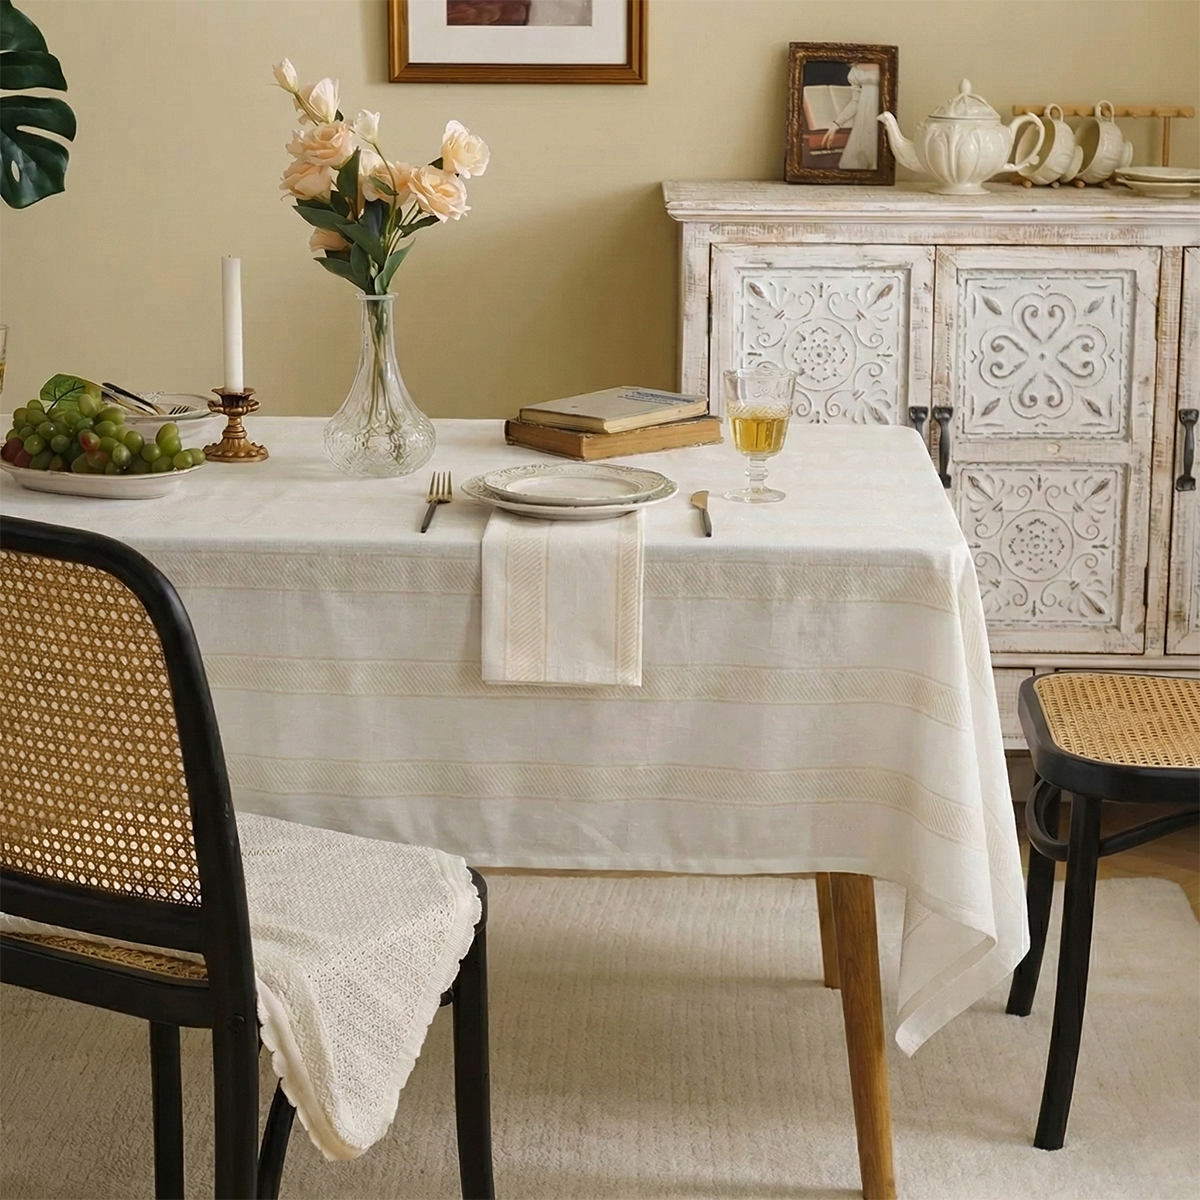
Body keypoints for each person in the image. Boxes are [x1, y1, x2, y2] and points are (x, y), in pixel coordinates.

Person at [820, 64, 880, 171]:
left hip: (880, 119)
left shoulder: (886, 63)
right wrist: (835, 125)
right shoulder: (855, 70)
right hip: (863, 122)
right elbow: (855, 102)